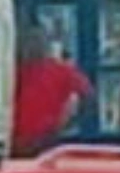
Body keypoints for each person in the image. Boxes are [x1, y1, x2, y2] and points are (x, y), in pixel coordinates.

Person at [13, 23, 93, 156]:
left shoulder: (61, 71)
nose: (32, 47)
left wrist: (64, 123)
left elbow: (87, 96)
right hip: (14, 143)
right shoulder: (14, 73)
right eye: (28, 42)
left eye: (38, 41)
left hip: (45, 142)